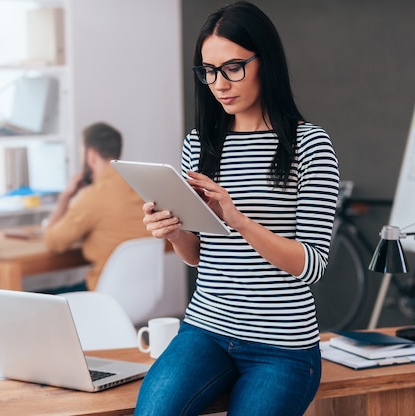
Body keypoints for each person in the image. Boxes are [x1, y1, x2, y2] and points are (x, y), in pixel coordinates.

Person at [135, 2, 340, 415]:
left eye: (232, 68)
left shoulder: (310, 145)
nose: (219, 84)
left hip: (282, 349)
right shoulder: (201, 143)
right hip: (205, 331)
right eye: (208, 71)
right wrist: (174, 231)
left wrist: (238, 218)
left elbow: (312, 265)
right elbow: (199, 256)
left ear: (266, 62)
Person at [43, 122, 151, 291]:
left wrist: (64, 198)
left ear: (91, 155)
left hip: (103, 294)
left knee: (32, 300)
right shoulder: (142, 186)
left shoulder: (93, 197)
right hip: (142, 292)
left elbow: (52, 242)